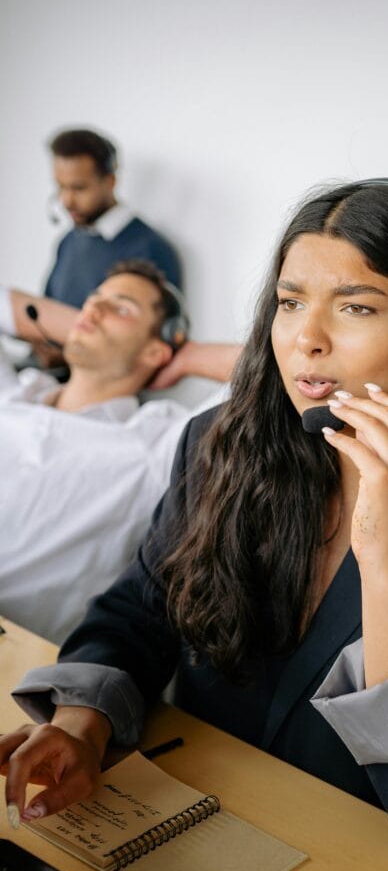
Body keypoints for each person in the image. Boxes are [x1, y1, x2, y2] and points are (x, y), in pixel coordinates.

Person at [2, 181, 388, 853]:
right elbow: (141, 611)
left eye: (356, 307)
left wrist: (387, 561)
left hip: (363, 869)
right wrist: (81, 722)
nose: (306, 339)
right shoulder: (223, 439)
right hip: (184, 822)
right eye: (289, 303)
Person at [0, 258, 241, 644]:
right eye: (93, 299)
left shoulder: (155, 443)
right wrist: (84, 323)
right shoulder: (13, 392)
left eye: (122, 308)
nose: (93, 308)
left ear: (155, 352)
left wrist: (186, 357)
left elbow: (277, 370)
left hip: (17, 654)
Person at [45, 128, 182, 309]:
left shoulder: (149, 249)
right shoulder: (69, 242)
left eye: (78, 188)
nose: (67, 201)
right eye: (61, 187)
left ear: (110, 182)